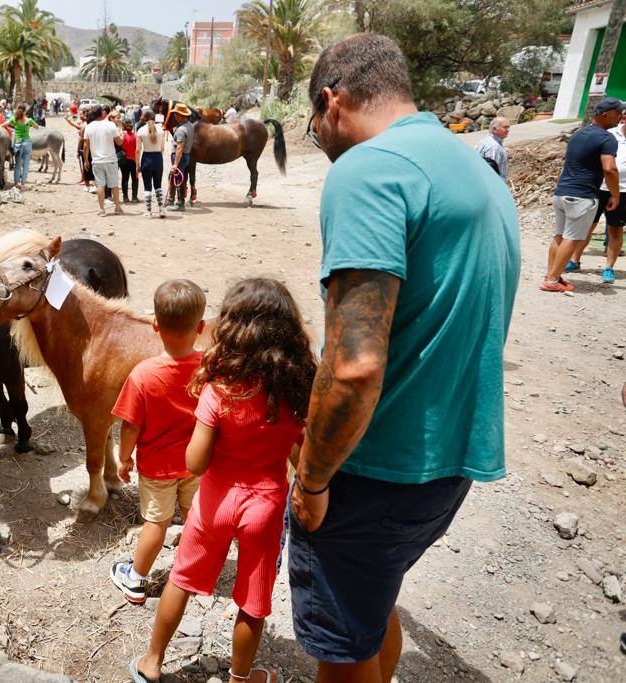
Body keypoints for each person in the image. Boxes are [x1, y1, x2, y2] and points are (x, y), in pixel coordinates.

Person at [291, 33, 520, 682]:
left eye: (314, 129)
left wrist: (311, 481)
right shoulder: (476, 171)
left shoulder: (369, 169)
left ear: (331, 103)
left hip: (372, 470)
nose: (321, 142)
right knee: (371, 606)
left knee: (342, 645)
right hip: (449, 466)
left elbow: (355, 364)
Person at [131, 278, 315, 683]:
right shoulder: (293, 394)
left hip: (214, 501)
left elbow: (194, 463)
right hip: (265, 506)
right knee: (253, 600)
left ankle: (153, 661)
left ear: (230, 329)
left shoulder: (219, 391)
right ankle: (240, 678)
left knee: (182, 578)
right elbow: (302, 460)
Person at [109, 279, 206, 604]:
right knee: (194, 516)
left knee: (157, 522)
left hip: (156, 468)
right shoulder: (207, 368)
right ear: (201, 326)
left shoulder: (143, 374)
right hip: (196, 463)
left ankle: (135, 580)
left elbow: (130, 427)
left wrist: (123, 460)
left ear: (154, 326)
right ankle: (196, 571)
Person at [545, 98, 622, 292]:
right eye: (618, 112)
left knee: (559, 236)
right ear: (606, 115)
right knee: (572, 238)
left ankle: (551, 274)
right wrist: (615, 195)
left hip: (561, 192)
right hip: (582, 196)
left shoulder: (578, 134)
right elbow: (610, 169)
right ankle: (552, 281)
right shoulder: (607, 138)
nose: (621, 116)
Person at [568, 116, 626, 283]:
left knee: (615, 229)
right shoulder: (609, 134)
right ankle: (575, 260)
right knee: (587, 226)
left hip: (623, 190)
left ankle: (609, 268)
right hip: (598, 187)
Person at [84, 104, 124, 216]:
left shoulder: (89, 126)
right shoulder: (111, 125)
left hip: (97, 161)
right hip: (111, 159)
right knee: (114, 185)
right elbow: (119, 142)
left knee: (100, 185)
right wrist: (121, 129)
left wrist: (86, 160)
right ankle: (117, 207)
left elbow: (86, 145)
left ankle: (102, 209)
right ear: (103, 113)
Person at [136, 110, 166, 218]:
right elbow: (162, 148)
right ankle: (161, 210)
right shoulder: (161, 130)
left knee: (147, 186)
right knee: (158, 185)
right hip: (158, 157)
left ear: (144, 118)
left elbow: (138, 150)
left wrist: (137, 164)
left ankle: (148, 212)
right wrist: (159, 157)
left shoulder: (140, 131)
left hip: (146, 158)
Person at [5, 104, 39, 192]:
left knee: (17, 165)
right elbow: (37, 127)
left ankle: (16, 183)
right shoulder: (29, 120)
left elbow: (3, 125)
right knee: (26, 165)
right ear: (25, 111)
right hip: (27, 143)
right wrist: (32, 125)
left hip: (18, 144)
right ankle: (23, 185)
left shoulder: (14, 119)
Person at [168, 103, 194, 211]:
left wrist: (175, 164)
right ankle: (175, 201)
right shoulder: (189, 125)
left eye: (176, 114)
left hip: (180, 156)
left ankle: (179, 203)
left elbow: (179, 147)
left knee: (176, 178)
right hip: (186, 156)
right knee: (178, 178)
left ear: (181, 115)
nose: (174, 116)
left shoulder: (181, 130)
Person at [119, 119, 139, 204]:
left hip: (124, 160)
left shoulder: (122, 136)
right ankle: (134, 197)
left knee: (125, 178)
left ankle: (125, 197)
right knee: (135, 179)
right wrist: (138, 162)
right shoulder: (135, 136)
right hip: (133, 160)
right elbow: (137, 150)